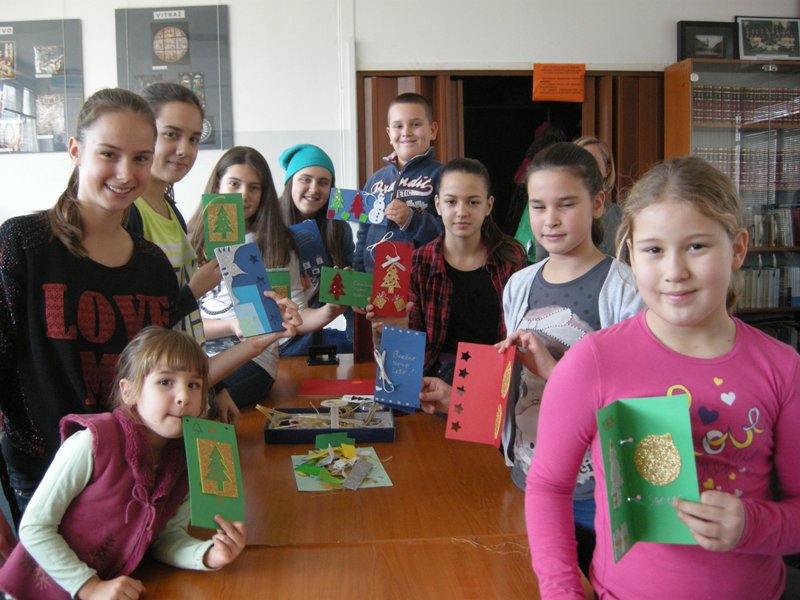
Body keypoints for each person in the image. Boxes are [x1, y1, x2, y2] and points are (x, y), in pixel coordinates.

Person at [526, 156, 800, 599]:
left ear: (737, 248)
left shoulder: (782, 368)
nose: (675, 272)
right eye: (653, 250)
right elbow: (548, 486)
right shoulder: (592, 362)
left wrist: (752, 525)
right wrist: (561, 591)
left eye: (697, 247)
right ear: (630, 254)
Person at [0, 89, 185, 538]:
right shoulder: (24, 244)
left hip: (130, 474)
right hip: (42, 473)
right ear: (75, 151)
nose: (125, 173)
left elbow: (164, 375)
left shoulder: (154, 265)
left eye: (140, 158)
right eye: (109, 154)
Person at [0, 327, 248, 599]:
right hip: (38, 590)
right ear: (128, 392)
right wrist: (90, 587)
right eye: (165, 381)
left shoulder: (187, 459)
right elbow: (35, 527)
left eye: (194, 385)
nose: (184, 397)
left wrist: (208, 555)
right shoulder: (91, 443)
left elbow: (165, 538)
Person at [497, 142, 643, 574]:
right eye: (538, 206)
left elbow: (633, 399)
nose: (550, 220)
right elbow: (514, 381)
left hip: (598, 490)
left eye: (566, 204)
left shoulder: (625, 288)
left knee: (604, 582)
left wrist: (553, 370)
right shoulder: (519, 285)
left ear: (597, 204)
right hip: (529, 475)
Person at [188, 147, 344, 408]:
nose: (243, 195)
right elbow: (178, 320)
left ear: (264, 193)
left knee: (197, 402)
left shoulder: (277, 244)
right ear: (217, 185)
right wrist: (231, 325)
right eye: (234, 184)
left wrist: (328, 311)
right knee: (173, 400)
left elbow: (296, 315)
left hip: (254, 358)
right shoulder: (191, 240)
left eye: (254, 188)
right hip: (194, 358)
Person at [127, 82, 241, 424]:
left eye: (193, 139)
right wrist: (195, 290)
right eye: (171, 135)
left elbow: (188, 324)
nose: (184, 150)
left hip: (186, 385)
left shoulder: (171, 211)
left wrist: (216, 388)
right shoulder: (130, 213)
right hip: (154, 398)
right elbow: (137, 322)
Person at [403, 158, 525, 383]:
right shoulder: (419, 263)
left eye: (473, 202)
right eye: (451, 202)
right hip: (434, 381)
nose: (461, 212)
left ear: (488, 205)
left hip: (497, 379)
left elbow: (519, 333)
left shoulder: (511, 257)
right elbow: (412, 343)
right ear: (438, 204)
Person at [277, 143, 355, 356]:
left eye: (323, 182)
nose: (314, 189)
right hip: (270, 342)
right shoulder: (268, 224)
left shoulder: (338, 229)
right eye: (305, 179)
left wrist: (359, 346)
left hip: (312, 339)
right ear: (290, 182)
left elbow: (352, 297)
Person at [353, 92, 444, 272]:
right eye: (398, 126)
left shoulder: (444, 176)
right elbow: (363, 234)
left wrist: (412, 220)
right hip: (374, 280)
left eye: (416, 124)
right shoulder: (375, 180)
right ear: (389, 133)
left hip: (423, 280)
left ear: (433, 130)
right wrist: (357, 273)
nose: (406, 132)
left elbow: (452, 232)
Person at [575, 135, 622, 258]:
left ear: (606, 170)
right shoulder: (557, 213)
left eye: (592, 162)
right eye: (577, 162)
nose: (584, 168)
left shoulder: (623, 217)